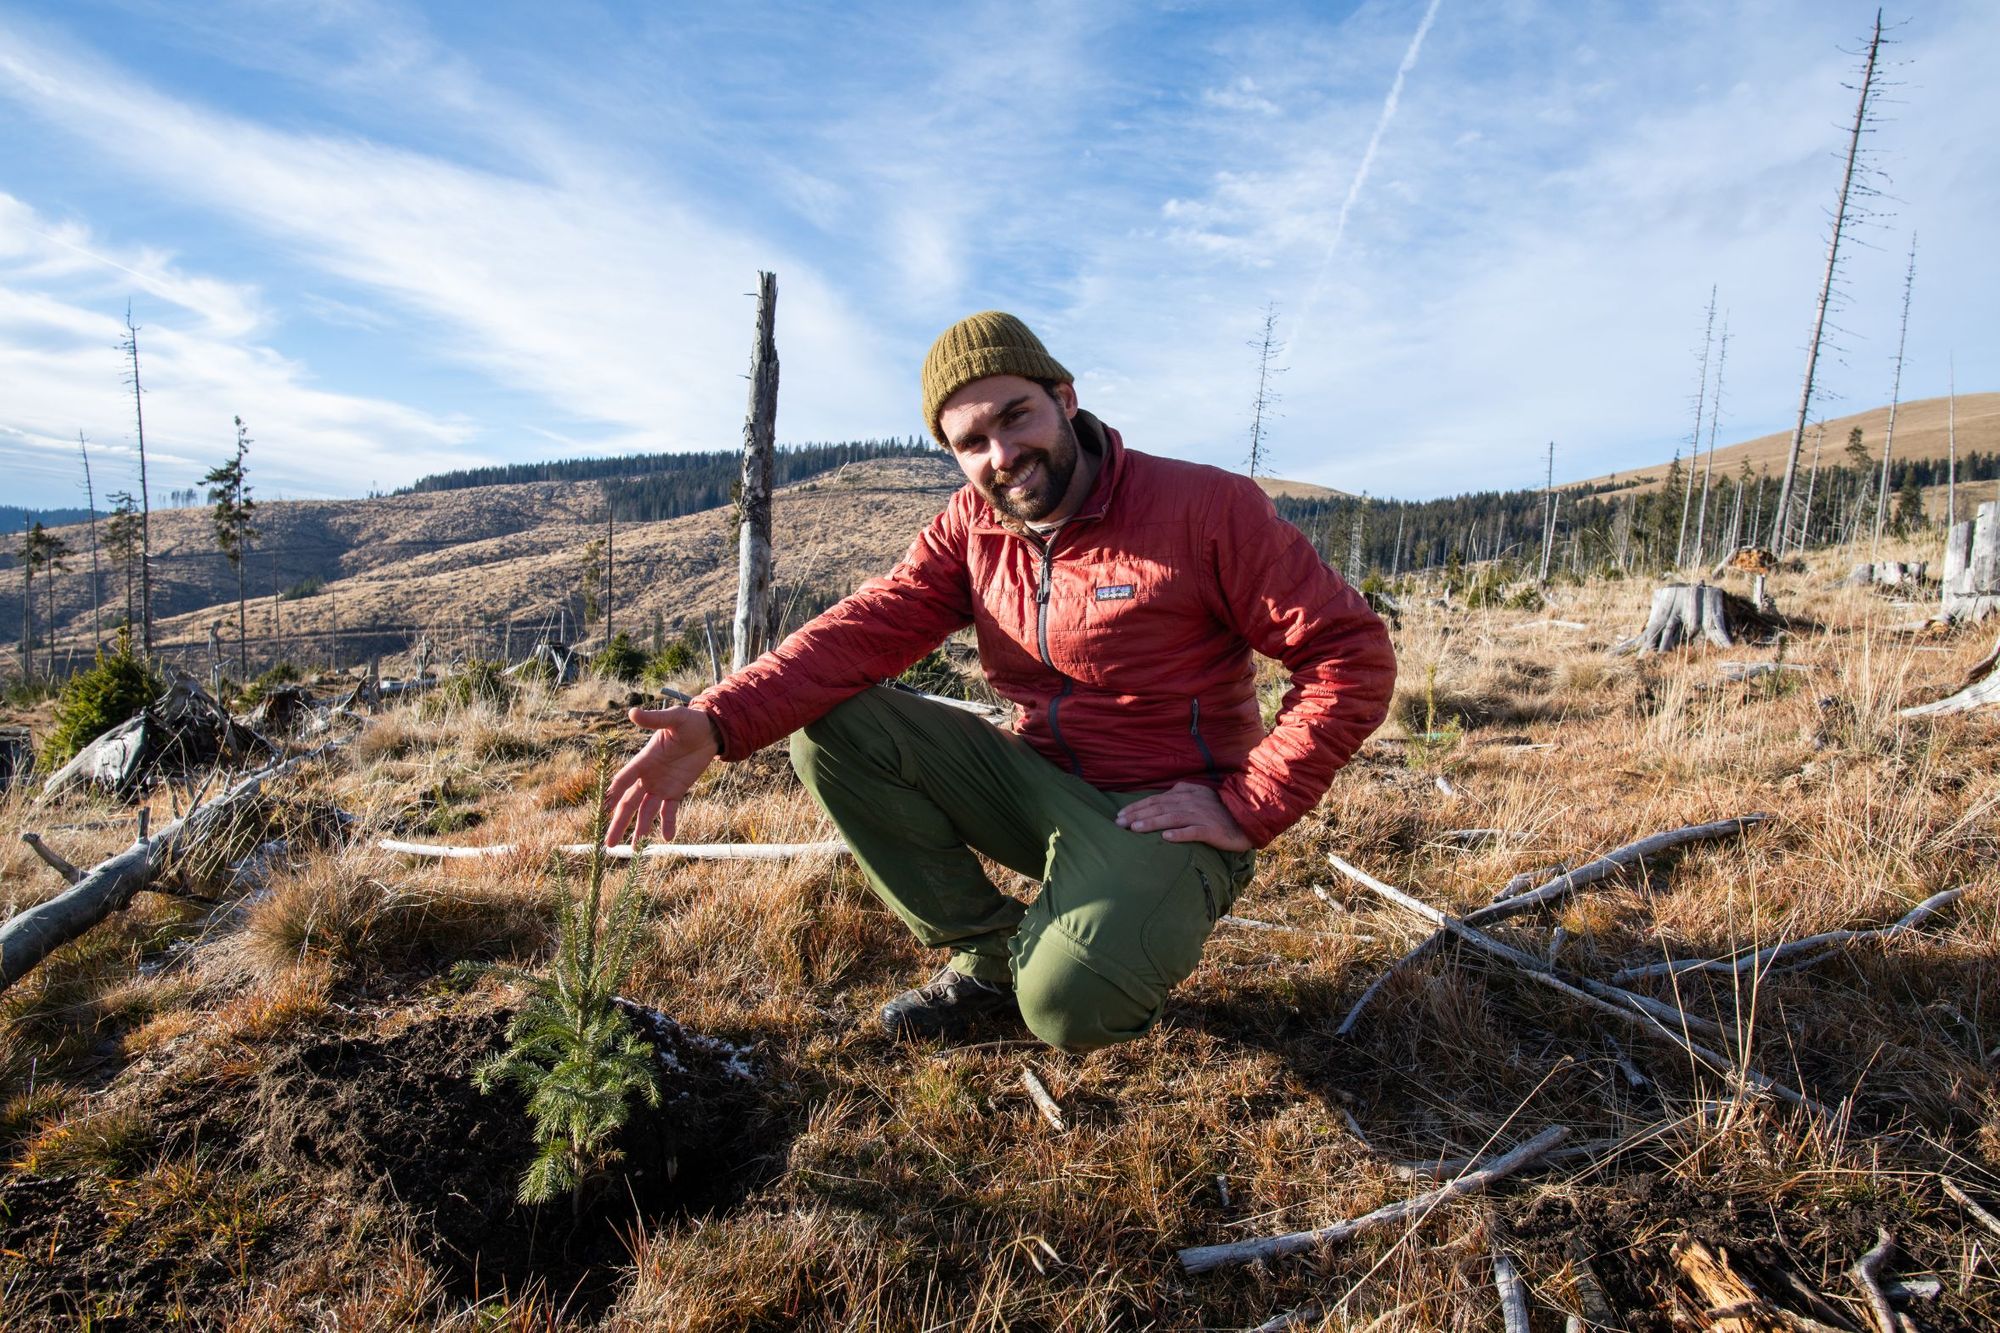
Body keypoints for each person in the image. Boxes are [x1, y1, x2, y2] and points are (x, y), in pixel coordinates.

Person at [606, 311, 1396, 1052]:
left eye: (1015, 416)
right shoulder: (973, 526)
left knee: (1067, 1006)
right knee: (835, 729)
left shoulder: (1203, 507)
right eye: (970, 441)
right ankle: (988, 958)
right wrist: (718, 717)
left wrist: (1247, 802)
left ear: (1065, 398)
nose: (1000, 455)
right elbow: (868, 627)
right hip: (1035, 785)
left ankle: (1087, 943)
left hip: (1168, 813)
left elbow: (1348, 655)